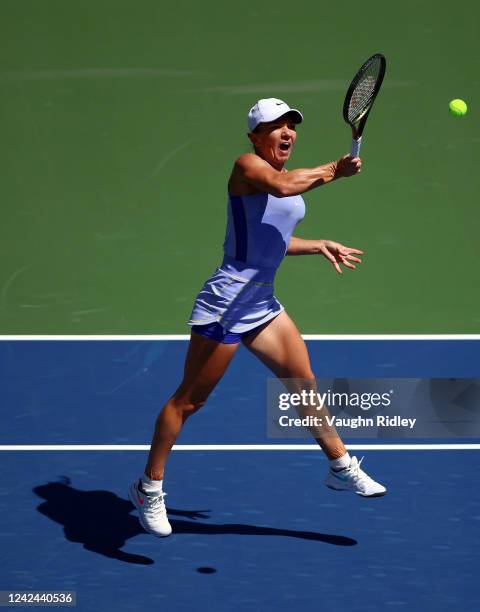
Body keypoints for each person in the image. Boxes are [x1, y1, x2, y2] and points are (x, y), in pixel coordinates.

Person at [129, 98, 386, 538]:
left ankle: (339, 466)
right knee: (189, 402)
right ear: (255, 136)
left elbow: (273, 239)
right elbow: (284, 190)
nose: (286, 133)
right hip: (227, 304)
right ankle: (148, 488)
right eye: (275, 126)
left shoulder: (283, 177)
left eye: (291, 126)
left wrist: (317, 243)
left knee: (302, 381)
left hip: (261, 303)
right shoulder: (247, 166)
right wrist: (333, 170)